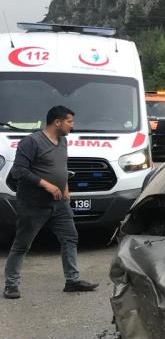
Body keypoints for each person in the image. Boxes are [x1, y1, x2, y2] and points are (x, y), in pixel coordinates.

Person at [3, 105, 98, 299]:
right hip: (33, 203)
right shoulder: (31, 142)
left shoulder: (62, 141)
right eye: (69, 122)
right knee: (22, 244)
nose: (72, 126)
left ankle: (72, 280)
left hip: (59, 203)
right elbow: (19, 171)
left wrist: (64, 188)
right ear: (57, 122)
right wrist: (46, 185)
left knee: (70, 237)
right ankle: (11, 285)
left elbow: (60, 166)